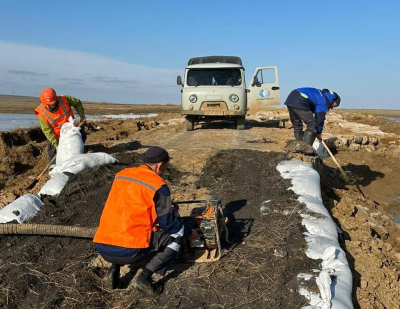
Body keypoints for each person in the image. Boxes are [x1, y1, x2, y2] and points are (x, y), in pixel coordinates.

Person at [93, 146, 199, 295]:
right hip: (129, 250)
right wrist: (189, 232)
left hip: (103, 246)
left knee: (121, 225)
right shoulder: (158, 184)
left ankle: (113, 271)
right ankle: (144, 278)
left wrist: (164, 205)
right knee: (177, 237)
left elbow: (132, 204)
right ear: (160, 165)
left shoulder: (122, 175)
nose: (164, 171)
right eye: (165, 167)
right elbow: (168, 225)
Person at [34, 88, 86, 160]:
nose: (48, 107)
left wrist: (82, 116)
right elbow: (47, 130)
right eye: (46, 105)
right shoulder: (42, 112)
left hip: (70, 131)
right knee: (53, 156)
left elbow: (77, 103)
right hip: (56, 136)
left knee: (82, 136)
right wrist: (56, 145)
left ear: (56, 101)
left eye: (50, 105)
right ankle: (53, 169)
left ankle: (77, 157)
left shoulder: (65, 99)